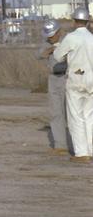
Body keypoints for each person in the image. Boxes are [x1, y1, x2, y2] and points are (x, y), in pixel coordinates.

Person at [52, 6, 93, 163]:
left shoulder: (71, 38)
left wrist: (58, 48)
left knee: (75, 117)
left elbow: (57, 57)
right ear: (87, 21)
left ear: (75, 21)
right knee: (89, 116)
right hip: (91, 81)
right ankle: (90, 150)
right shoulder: (92, 38)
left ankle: (81, 153)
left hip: (76, 80)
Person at [39, 18, 70, 154]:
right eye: (48, 37)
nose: (50, 38)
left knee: (71, 113)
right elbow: (38, 54)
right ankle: (60, 144)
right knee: (56, 112)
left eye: (52, 36)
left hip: (67, 78)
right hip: (53, 79)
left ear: (58, 32)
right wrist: (48, 50)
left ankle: (80, 144)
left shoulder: (68, 40)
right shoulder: (47, 43)